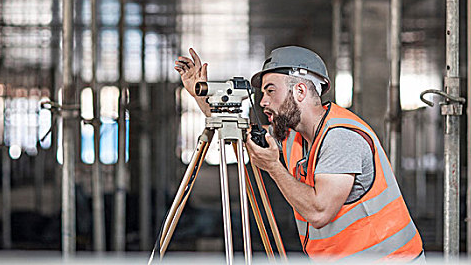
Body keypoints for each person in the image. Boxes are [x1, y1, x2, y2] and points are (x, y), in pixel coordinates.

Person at [175, 46, 424, 262]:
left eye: (270, 91)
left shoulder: (340, 137)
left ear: (300, 92)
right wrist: (201, 97)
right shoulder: (293, 134)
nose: (262, 102)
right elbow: (243, 136)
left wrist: (274, 167)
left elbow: (319, 212)